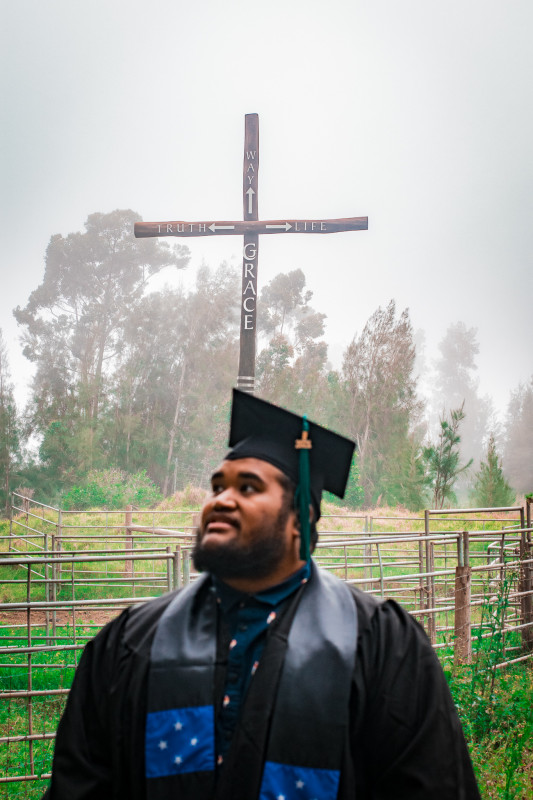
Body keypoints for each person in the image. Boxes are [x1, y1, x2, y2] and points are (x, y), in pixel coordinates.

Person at [44, 390, 481, 800]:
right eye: (218, 487)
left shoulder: (382, 645)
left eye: (248, 488)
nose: (220, 500)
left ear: (300, 520)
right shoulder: (129, 642)